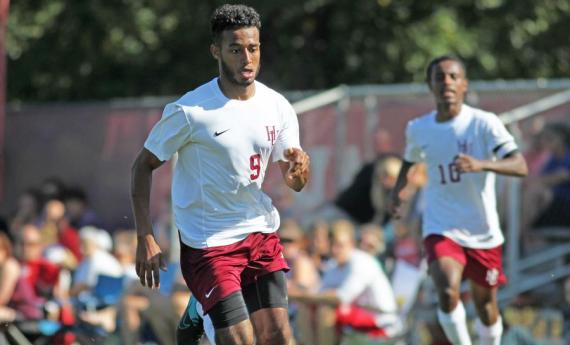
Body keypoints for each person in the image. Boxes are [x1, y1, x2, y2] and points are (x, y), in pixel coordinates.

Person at [130, 4, 310, 345]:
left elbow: (295, 181)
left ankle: (201, 307)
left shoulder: (277, 106)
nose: (247, 58)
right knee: (240, 340)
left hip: (259, 231)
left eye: (253, 48)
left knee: (280, 338)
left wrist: (300, 171)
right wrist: (145, 236)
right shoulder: (191, 111)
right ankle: (200, 309)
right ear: (216, 51)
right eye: (235, 49)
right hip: (208, 241)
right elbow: (142, 166)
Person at [390, 55, 528, 345]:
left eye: (453, 77)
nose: (447, 82)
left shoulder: (485, 123)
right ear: (430, 85)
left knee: (486, 306)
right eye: (439, 77)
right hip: (441, 224)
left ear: (464, 84)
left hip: (482, 230)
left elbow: (519, 165)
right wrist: (397, 193)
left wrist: (482, 164)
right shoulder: (419, 128)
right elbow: (409, 161)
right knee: (447, 289)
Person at [290, 219, 401, 345]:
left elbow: (340, 298)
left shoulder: (361, 262)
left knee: (325, 311)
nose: (335, 250)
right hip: (356, 319)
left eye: (340, 245)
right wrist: (303, 297)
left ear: (352, 244)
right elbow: (320, 293)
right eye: (333, 245)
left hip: (382, 323)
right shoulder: (334, 266)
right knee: (306, 309)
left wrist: (298, 295)